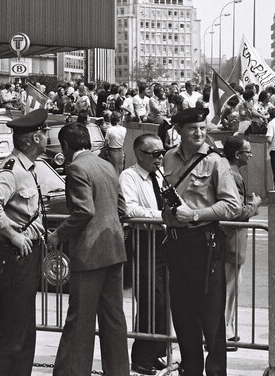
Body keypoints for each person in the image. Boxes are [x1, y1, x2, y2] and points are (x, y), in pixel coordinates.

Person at [0, 108, 60, 375]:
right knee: (12, 330)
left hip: (28, 254)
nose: (47, 135)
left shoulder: (28, 168)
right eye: (44, 132)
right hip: (15, 256)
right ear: (33, 138)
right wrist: (12, 234)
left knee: (25, 329)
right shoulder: (12, 171)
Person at [162, 107, 241, 376]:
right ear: (179, 131)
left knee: (211, 319)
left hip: (205, 245)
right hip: (176, 244)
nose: (199, 133)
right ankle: (191, 370)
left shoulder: (215, 161)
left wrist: (195, 214)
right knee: (183, 316)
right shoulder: (169, 158)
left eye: (202, 128)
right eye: (192, 129)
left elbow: (232, 205)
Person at [47, 122, 129, 376]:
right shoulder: (107, 166)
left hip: (89, 251)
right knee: (113, 319)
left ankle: (71, 372)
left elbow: (84, 210)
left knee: (80, 319)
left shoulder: (76, 168)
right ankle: (118, 371)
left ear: (66, 145)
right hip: (114, 249)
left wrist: (58, 234)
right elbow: (122, 209)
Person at [119, 134, 169, 374]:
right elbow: (130, 209)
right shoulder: (129, 176)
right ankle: (141, 356)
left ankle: (157, 351)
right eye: (155, 154)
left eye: (162, 153)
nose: (160, 158)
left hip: (164, 240)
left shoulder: (159, 174)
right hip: (145, 239)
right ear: (140, 154)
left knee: (165, 300)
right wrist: (161, 217)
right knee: (151, 300)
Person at [222, 137, 261, 349]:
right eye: (248, 151)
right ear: (237, 155)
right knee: (229, 287)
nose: (251, 155)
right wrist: (254, 205)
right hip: (231, 239)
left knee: (232, 286)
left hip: (233, 239)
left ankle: (227, 329)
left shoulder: (230, 172)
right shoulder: (232, 175)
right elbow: (235, 211)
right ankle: (224, 332)